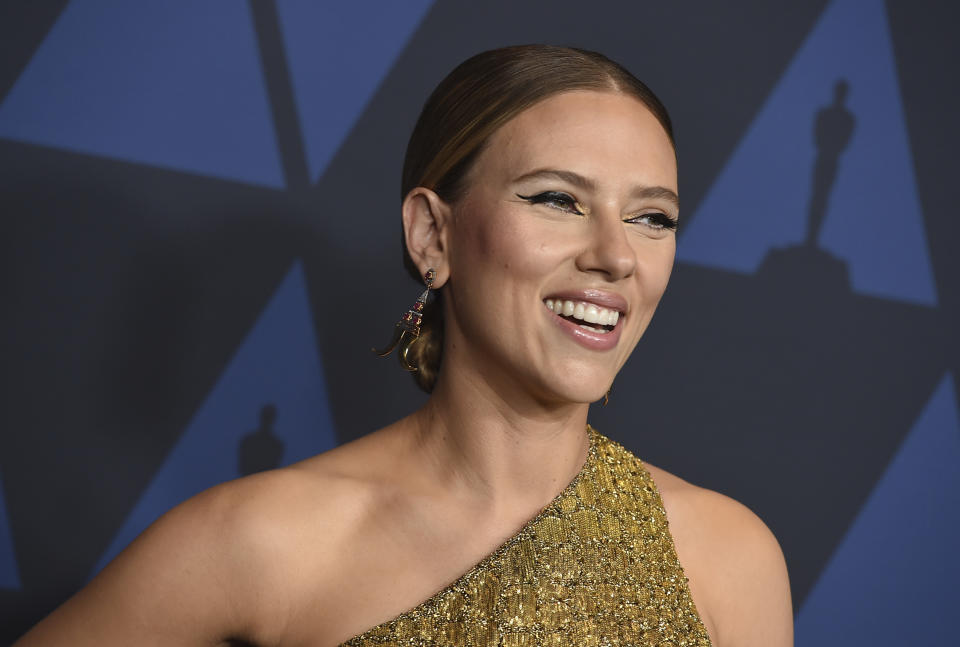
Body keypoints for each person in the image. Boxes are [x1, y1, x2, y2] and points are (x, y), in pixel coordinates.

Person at [15, 45, 792, 647]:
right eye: (558, 199)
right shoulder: (266, 539)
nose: (617, 256)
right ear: (433, 234)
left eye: (652, 217)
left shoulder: (727, 553)